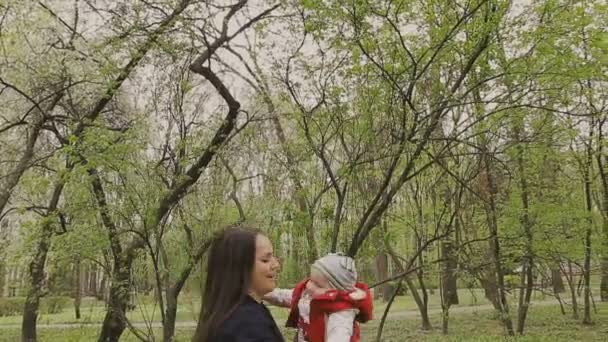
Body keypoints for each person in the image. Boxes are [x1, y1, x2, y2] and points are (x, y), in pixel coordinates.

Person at [193, 224, 285, 342]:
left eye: (273, 257)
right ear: (239, 267)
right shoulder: (248, 325)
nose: (276, 265)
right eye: (265, 260)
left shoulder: (226, 313)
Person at [265, 253, 373, 342]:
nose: (310, 286)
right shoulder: (308, 295)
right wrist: (265, 293)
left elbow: (339, 334)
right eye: (311, 280)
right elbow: (286, 297)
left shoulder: (341, 313)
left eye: (318, 285)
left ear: (336, 292)